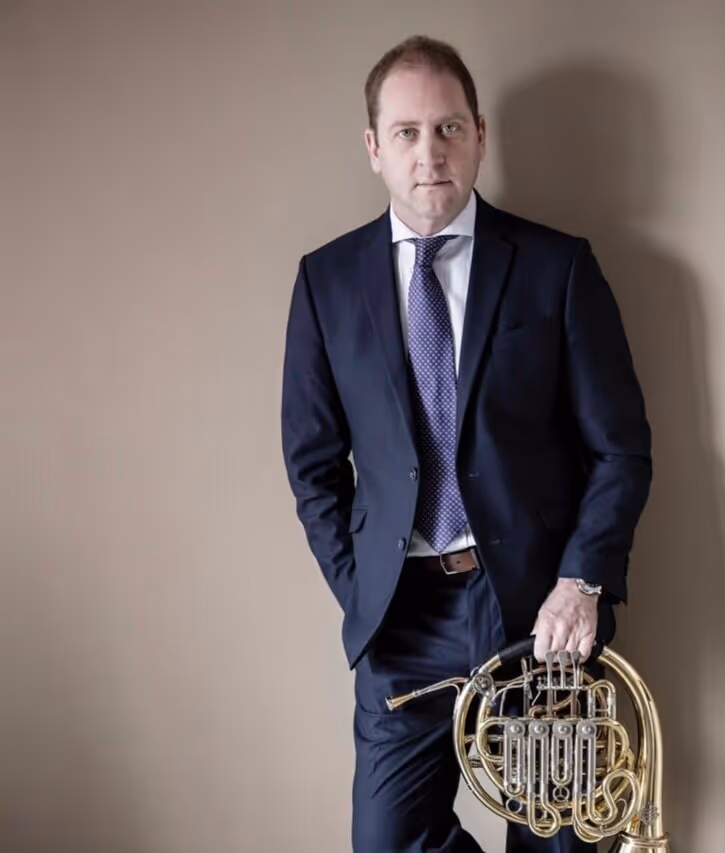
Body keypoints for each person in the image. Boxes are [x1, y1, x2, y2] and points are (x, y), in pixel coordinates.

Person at [281, 34, 652, 853]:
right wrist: (362, 589)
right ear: (374, 148)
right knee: (387, 843)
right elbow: (313, 467)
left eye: (448, 128)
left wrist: (581, 579)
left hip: (532, 608)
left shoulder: (557, 268)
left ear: (479, 134)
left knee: (560, 837)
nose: (430, 154)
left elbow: (619, 449)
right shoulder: (325, 282)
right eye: (407, 132)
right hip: (400, 619)